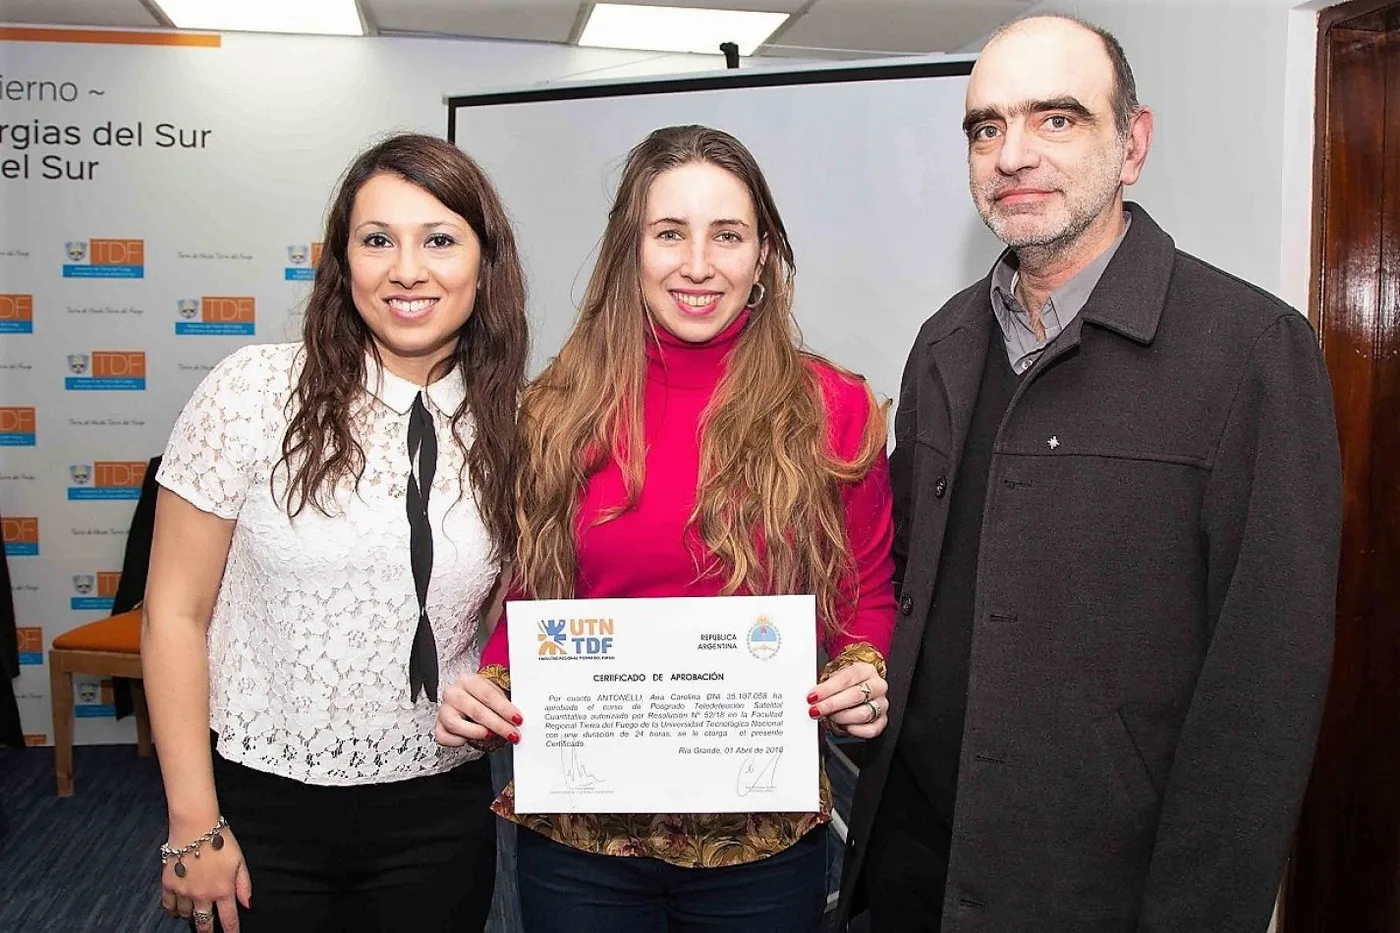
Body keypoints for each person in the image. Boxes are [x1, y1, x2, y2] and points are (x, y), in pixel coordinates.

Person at [836, 13, 1344, 933]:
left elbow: (1264, 690)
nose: (1013, 153)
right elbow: (912, 583)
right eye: (987, 127)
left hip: (1095, 893)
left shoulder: (1253, 353)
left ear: (1133, 143)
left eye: (1056, 119)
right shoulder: (944, 342)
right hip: (910, 867)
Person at [435, 124, 897, 933]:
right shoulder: (552, 412)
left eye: (727, 234)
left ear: (763, 255)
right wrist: (493, 686)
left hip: (761, 840)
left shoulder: (834, 410)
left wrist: (862, 670)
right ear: (630, 250)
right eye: (669, 233)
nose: (697, 264)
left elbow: (865, 597)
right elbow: (529, 600)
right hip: (581, 841)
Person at [142, 133, 528, 933]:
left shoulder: (521, 424)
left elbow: (512, 617)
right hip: (258, 809)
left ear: (485, 264)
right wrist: (194, 819)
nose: (407, 269)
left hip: (439, 810)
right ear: (341, 261)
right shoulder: (251, 391)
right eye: (378, 239)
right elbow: (173, 613)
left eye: (440, 240)